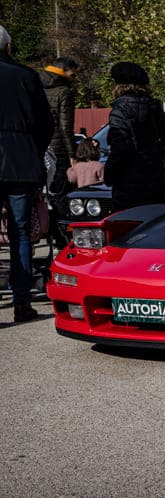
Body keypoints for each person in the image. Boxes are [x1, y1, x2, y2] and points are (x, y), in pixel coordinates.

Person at [0, 25, 53, 322]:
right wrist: (31, 150)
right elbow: (46, 124)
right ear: (8, 47)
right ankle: (22, 302)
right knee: (21, 232)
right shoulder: (26, 76)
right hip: (21, 163)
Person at [103, 61, 165, 211]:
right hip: (156, 181)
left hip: (129, 185)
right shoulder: (155, 108)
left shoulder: (121, 110)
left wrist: (109, 174)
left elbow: (121, 148)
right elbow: (162, 141)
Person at [39, 56, 78, 244]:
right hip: (58, 151)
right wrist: (73, 154)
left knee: (44, 197)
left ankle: (46, 234)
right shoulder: (64, 93)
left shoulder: (37, 87)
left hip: (39, 150)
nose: (74, 76)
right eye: (73, 72)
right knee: (61, 197)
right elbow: (66, 128)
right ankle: (62, 240)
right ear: (63, 71)